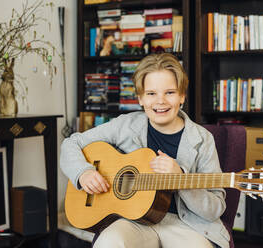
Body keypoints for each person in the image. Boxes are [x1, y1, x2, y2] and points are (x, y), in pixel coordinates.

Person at [60, 53, 229, 248]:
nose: (160, 101)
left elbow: (216, 207)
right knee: (109, 242)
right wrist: (84, 173)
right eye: (151, 93)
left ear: (182, 96)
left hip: (186, 225)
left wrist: (181, 179)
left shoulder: (203, 140)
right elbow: (72, 143)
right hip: (134, 222)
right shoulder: (125, 125)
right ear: (140, 98)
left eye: (170, 92)